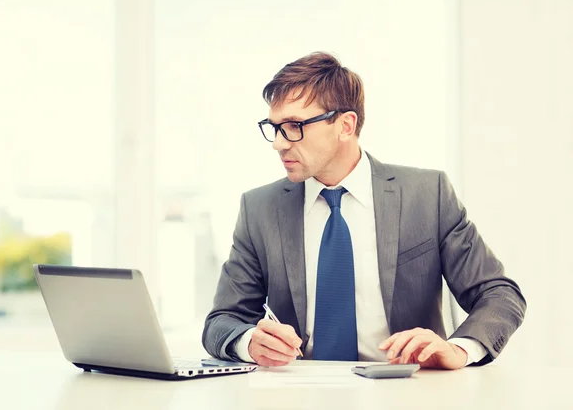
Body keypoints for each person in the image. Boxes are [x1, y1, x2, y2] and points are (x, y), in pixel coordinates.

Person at [202, 52, 526, 369]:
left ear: (345, 125)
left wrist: (458, 349)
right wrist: (247, 342)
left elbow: (499, 294)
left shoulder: (428, 194)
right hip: (299, 392)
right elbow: (222, 320)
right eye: (275, 127)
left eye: (294, 126)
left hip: (406, 389)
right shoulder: (260, 208)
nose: (279, 143)